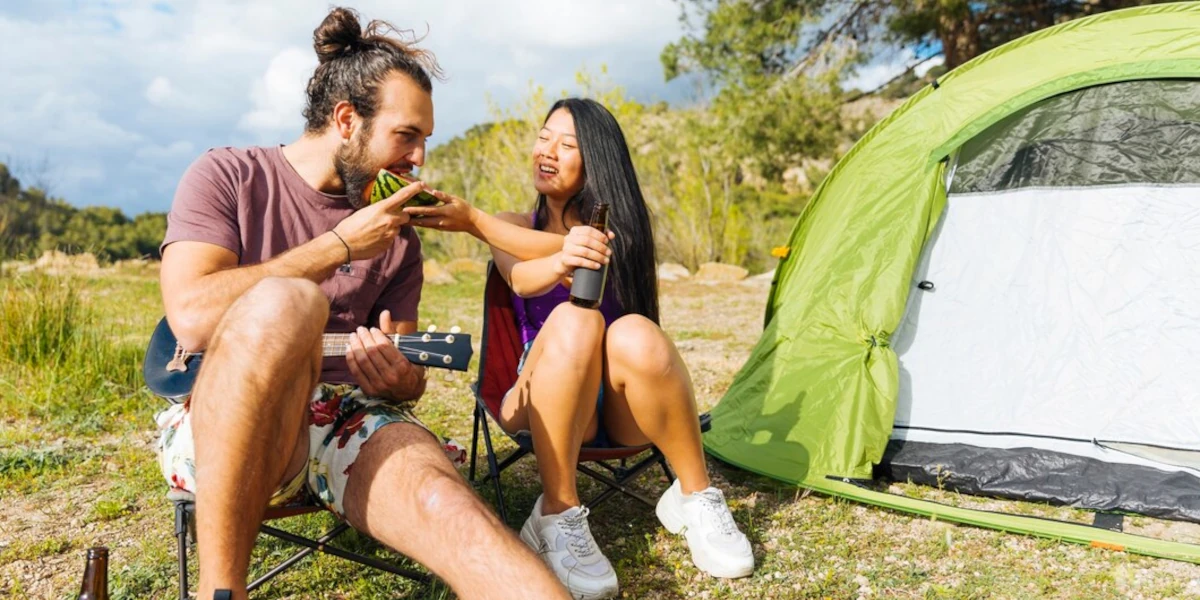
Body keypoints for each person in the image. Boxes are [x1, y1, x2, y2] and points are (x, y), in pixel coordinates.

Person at [153, 7, 568, 599]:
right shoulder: (228, 175)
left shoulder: (400, 238)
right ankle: (221, 592)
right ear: (347, 120)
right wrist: (338, 245)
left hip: (343, 416)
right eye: (406, 136)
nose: (419, 158)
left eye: (425, 140)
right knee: (287, 305)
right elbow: (190, 318)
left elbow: (408, 381)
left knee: (447, 505)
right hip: (223, 415)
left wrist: (399, 379)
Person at [405, 98, 755, 600]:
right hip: (538, 395)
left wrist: (473, 219)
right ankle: (556, 512)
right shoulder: (509, 223)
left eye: (567, 145)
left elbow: (592, 245)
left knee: (636, 331)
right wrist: (499, 230)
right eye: (544, 137)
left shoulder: (619, 230)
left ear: (596, 162)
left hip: (618, 406)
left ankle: (695, 497)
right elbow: (521, 278)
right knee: (575, 320)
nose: (547, 151)